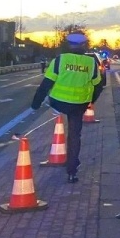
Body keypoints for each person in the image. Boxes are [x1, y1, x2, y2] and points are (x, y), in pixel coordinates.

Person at [29, 32, 104, 183]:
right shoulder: (91, 64)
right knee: (75, 136)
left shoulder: (59, 60)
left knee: (53, 102)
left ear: (69, 45)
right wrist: (91, 101)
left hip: (58, 102)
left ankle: (54, 110)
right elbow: (98, 85)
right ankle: (72, 171)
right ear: (84, 45)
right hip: (79, 105)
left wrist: (35, 105)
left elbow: (46, 84)